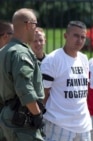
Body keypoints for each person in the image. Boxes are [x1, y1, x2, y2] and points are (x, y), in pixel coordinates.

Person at [40, 20, 92, 141]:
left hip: (83, 125)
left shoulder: (84, 59)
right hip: (58, 124)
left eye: (83, 37)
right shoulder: (52, 60)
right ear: (66, 36)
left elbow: (84, 91)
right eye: (75, 35)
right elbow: (43, 93)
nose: (79, 40)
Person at [0, 8, 45, 141]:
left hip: (8, 117)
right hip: (21, 120)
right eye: (35, 24)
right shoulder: (21, 53)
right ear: (28, 25)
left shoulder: (4, 51)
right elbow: (24, 88)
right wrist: (37, 115)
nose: (36, 29)